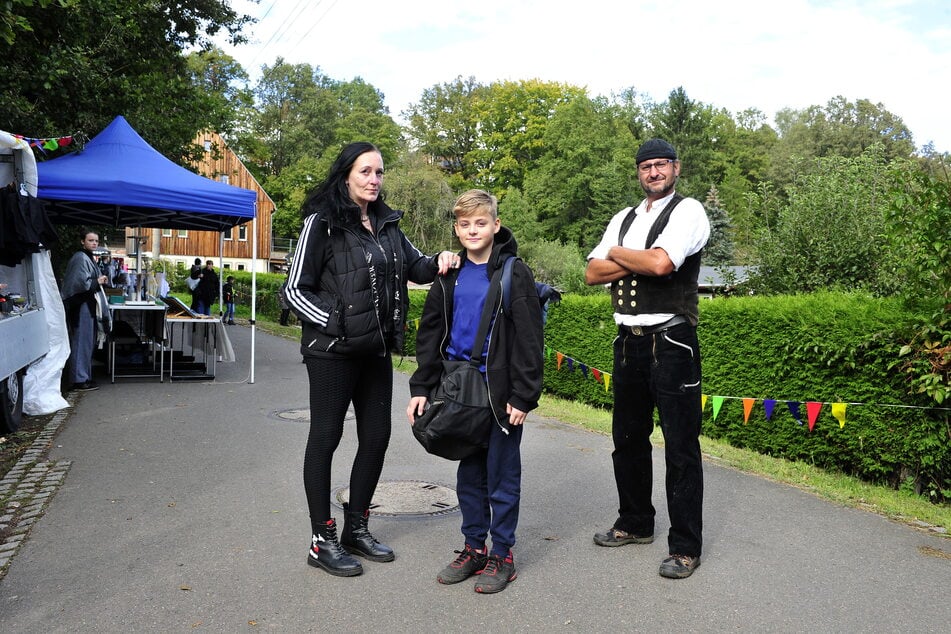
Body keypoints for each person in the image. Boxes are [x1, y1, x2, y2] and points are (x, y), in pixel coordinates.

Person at [283, 141, 458, 577]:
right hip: (332, 353)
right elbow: (293, 290)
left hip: (376, 350)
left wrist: (442, 260)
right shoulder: (321, 223)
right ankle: (321, 540)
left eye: (379, 173)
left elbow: (415, 266)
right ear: (346, 174)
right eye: (366, 172)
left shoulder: (387, 224)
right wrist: (335, 323)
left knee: (376, 438)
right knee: (325, 439)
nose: (374, 180)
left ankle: (355, 528)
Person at [407, 189, 544, 594]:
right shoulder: (448, 274)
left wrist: (523, 395)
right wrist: (421, 386)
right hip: (457, 389)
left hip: (500, 392)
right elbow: (430, 333)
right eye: (465, 224)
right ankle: (473, 547)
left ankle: (502, 553)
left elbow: (529, 337)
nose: (473, 230)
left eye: (480, 223)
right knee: (469, 473)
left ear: (495, 225)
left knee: (501, 475)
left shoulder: (513, 272)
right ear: (456, 228)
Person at [585, 138, 711, 579]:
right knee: (628, 439)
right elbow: (590, 273)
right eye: (646, 167)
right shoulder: (623, 218)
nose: (653, 172)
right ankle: (635, 522)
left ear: (676, 167)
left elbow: (661, 265)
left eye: (661, 165)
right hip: (628, 342)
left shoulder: (690, 211)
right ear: (638, 172)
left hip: (672, 341)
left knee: (680, 446)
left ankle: (684, 547)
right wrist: (635, 257)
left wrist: (616, 254)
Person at [60, 228, 111, 392]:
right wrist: (99, 280)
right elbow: (80, 284)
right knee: (82, 341)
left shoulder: (87, 257)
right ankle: (78, 380)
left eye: (96, 241)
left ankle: (84, 377)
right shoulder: (80, 257)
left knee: (87, 342)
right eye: (91, 240)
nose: (94, 243)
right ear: (83, 241)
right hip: (81, 305)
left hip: (87, 305)